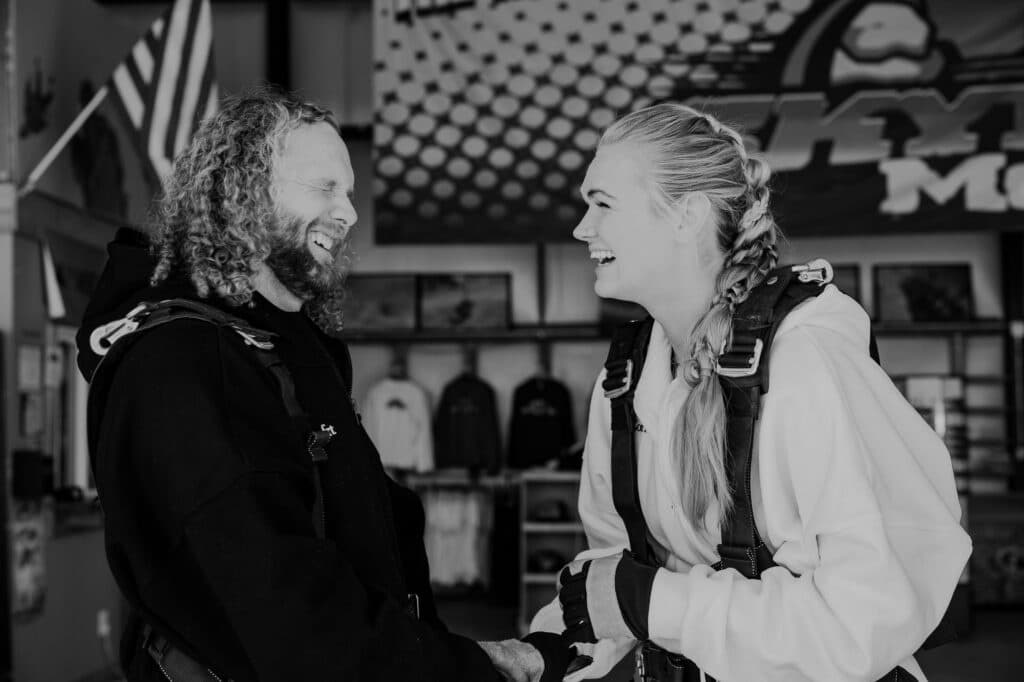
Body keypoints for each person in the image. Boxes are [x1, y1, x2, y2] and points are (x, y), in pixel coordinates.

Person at [76, 89, 572, 682]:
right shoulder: (186, 361)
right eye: (325, 187)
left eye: (351, 192)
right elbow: (285, 609)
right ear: (244, 194)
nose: (350, 214)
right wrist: (463, 669)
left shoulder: (284, 342)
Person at [529, 103, 972, 681]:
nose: (581, 228)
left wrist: (653, 604)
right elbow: (615, 573)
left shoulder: (805, 363)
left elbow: (862, 620)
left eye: (602, 204)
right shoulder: (624, 378)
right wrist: (544, 650)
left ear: (686, 214)